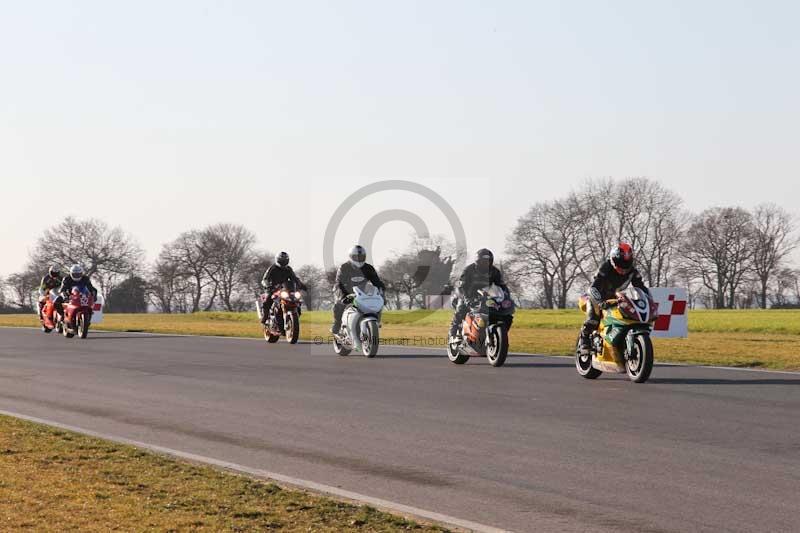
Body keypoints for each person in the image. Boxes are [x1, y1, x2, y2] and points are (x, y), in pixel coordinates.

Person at [579, 242, 650, 354]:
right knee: (594, 318)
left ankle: (620, 343)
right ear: (613, 260)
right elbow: (594, 287)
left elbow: (641, 287)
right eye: (620, 264)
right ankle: (584, 338)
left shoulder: (632, 271)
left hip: (614, 298)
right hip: (595, 295)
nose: (623, 268)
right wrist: (600, 301)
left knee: (627, 317)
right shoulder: (605, 267)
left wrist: (649, 300)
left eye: (626, 264)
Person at [449, 248, 509, 337]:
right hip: (468, 294)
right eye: (483, 261)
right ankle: (452, 333)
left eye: (488, 261)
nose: (486, 263)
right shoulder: (469, 270)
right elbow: (462, 287)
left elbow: (502, 286)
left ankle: (498, 335)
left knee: (506, 316)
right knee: (461, 309)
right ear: (478, 261)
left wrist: (507, 298)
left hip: (487, 295)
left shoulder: (494, 271)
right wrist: (467, 299)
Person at [331, 245, 385, 334]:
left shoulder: (368, 268)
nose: (359, 259)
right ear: (351, 257)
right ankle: (337, 323)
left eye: (361, 257)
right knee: (339, 304)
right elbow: (339, 283)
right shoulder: (344, 268)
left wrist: (381, 291)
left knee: (377, 303)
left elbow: (377, 282)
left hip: (362, 293)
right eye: (356, 257)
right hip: (346, 292)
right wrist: (343, 296)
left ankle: (375, 321)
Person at [260, 251, 306, 324]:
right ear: (278, 260)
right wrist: (267, 284)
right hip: (273, 289)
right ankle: (265, 317)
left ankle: (294, 317)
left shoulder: (288, 269)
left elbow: (294, 278)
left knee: (297, 301)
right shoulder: (273, 268)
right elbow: (265, 279)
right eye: (281, 260)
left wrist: (302, 285)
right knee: (267, 301)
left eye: (284, 260)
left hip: (285, 289)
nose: (283, 262)